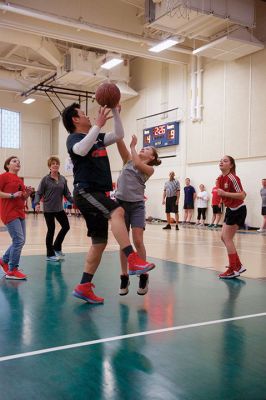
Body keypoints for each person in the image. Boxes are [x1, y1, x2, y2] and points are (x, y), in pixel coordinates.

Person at [62, 102, 155, 304]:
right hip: (86, 191)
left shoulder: (98, 138)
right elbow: (80, 150)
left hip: (96, 193)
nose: (88, 116)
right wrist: (98, 124)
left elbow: (119, 135)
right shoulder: (74, 138)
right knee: (117, 211)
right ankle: (132, 258)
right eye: (83, 114)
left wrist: (115, 111)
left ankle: (84, 286)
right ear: (75, 120)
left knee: (99, 243)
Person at [115, 135, 161, 296]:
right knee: (124, 243)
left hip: (136, 206)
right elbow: (118, 141)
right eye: (143, 146)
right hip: (120, 205)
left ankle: (143, 275)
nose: (144, 148)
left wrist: (133, 147)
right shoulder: (127, 159)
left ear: (152, 157)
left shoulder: (149, 169)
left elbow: (137, 163)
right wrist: (116, 118)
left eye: (147, 149)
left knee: (138, 240)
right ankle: (124, 276)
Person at [0, 156, 33, 279]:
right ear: (8, 165)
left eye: (19, 161)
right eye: (14, 161)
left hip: (20, 213)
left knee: (21, 240)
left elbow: (22, 198)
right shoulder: (3, 177)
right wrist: (11, 195)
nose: (17, 163)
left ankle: (4, 261)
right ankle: (12, 270)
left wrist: (28, 193)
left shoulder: (19, 180)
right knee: (18, 240)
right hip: (9, 212)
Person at [34, 156, 73, 262]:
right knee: (51, 230)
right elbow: (39, 193)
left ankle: (56, 247)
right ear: (49, 167)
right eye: (53, 164)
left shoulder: (63, 179)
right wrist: (37, 203)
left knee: (66, 227)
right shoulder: (45, 179)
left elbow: (67, 194)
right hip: (49, 209)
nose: (55, 165)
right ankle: (50, 254)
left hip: (59, 208)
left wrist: (76, 202)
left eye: (57, 163)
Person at [217, 155, 247, 279]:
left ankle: (233, 269)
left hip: (238, 210)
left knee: (227, 238)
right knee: (223, 237)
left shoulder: (233, 178)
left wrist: (225, 194)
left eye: (225, 161)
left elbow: (242, 195)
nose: (221, 162)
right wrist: (221, 198)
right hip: (230, 210)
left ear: (231, 165)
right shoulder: (220, 178)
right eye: (220, 161)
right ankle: (238, 265)